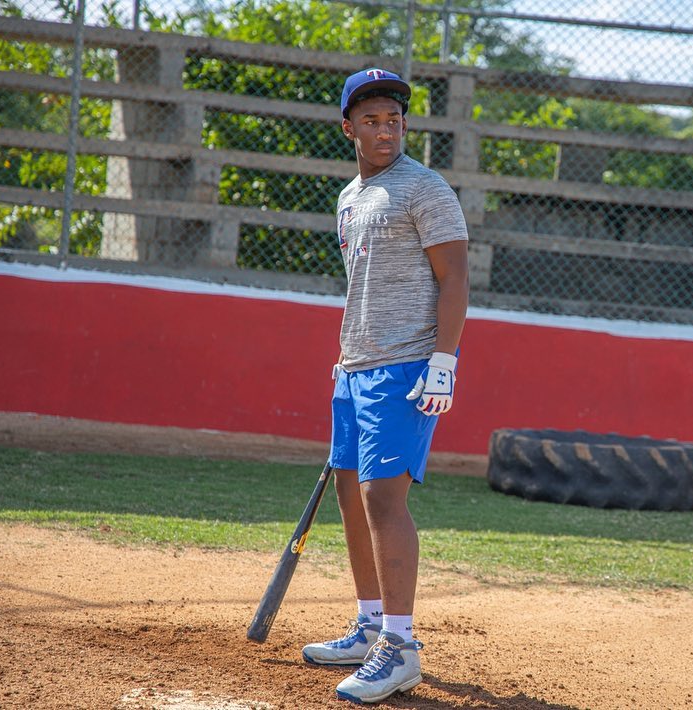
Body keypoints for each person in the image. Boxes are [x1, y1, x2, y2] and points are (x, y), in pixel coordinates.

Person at [300, 68, 469, 704]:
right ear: (348, 127)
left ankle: (399, 647)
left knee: (382, 500)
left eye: (393, 120)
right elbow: (363, 290)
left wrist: (443, 362)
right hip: (356, 367)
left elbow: (454, 279)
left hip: (405, 368)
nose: (384, 130)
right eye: (369, 120)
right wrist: (347, 356)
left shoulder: (424, 188)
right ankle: (370, 623)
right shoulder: (349, 198)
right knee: (351, 495)